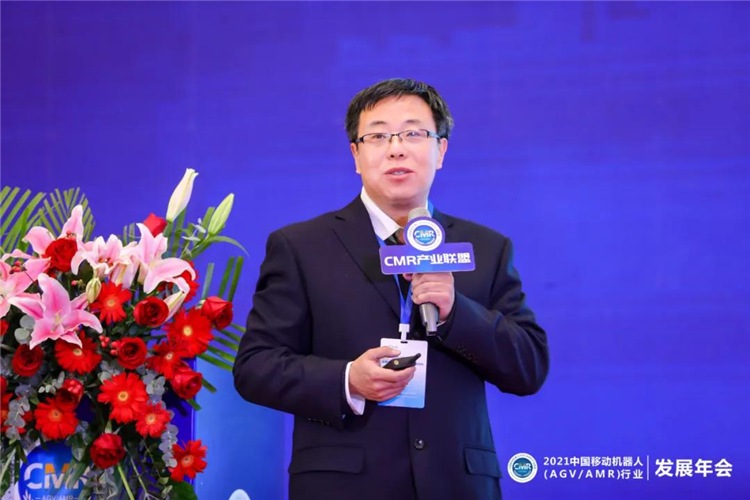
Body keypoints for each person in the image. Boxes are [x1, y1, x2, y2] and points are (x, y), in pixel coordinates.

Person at [233, 78, 549, 500]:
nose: (396, 149)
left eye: (414, 133)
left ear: (441, 150)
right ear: (356, 155)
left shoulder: (485, 248)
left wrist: (456, 312)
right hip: (342, 487)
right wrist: (348, 380)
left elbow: (528, 367)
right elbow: (255, 367)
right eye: (379, 136)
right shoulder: (301, 247)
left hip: (457, 486)